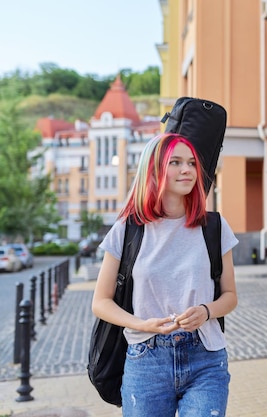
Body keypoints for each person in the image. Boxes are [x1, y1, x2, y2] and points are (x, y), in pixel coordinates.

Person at [92, 133, 239, 417]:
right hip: (146, 361)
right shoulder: (128, 229)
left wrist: (206, 311)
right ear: (155, 169)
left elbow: (230, 296)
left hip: (205, 358)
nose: (187, 170)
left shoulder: (215, 227)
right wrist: (143, 325)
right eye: (175, 162)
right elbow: (100, 302)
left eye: (191, 163)